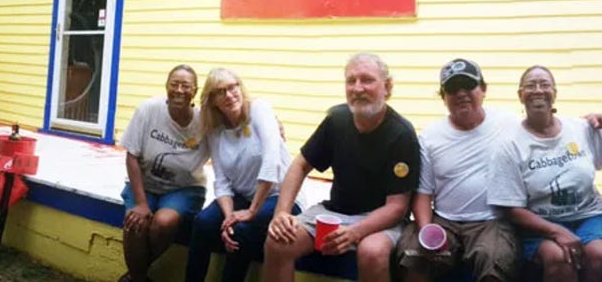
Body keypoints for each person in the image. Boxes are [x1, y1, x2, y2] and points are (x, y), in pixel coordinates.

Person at [399, 58, 602, 282]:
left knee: (495, 259)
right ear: (443, 96)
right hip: (444, 219)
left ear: (483, 90)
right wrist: (427, 230)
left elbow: (547, 127)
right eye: (452, 88)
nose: (461, 93)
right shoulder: (430, 136)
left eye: (468, 86)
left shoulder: (509, 123)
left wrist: (588, 123)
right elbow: (424, 193)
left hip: (492, 220)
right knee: (416, 258)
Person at [263, 53, 422, 282]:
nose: (357, 88)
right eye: (351, 81)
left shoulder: (401, 135)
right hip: (335, 211)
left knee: (372, 253)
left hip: (380, 218)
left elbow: (396, 208)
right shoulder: (337, 119)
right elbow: (300, 165)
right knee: (277, 241)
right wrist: (281, 212)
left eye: (367, 80)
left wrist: (355, 232)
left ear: (387, 87)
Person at [491, 65, 602, 282]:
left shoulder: (580, 128)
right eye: (530, 85)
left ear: (555, 93)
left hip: (589, 214)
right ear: (520, 96)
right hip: (540, 222)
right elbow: (511, 209)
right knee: (559, 258)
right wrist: (556, 231)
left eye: (545, 84)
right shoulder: (509, 144)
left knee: (601, 254)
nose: (538, 90)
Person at [185, 68, 296, 282]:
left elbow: (271, 164)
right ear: (213, 100)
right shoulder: (215, 131)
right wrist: (228, 217)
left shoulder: (260, 110)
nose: (229, 95)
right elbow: (222, 182)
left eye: (232, 87)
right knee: (203, 222)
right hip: (242, 197)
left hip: (279, 196)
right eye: (220, 92)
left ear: (240, 87)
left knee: (240, 231)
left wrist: (251, 211)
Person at [120, 64, 208, 282]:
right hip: (145, 182)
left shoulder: (206, 121)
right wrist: (141, 203)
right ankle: (140, 278)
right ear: (166, 87)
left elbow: (234, 119)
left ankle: (134, 275)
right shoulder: (148, 109)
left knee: (163, 222)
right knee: (135, 223)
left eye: (186, 86)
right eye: (174, 84)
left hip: (184, 187)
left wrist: (272, 124)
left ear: (195, 91)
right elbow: (131, 156)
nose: (179, 90)